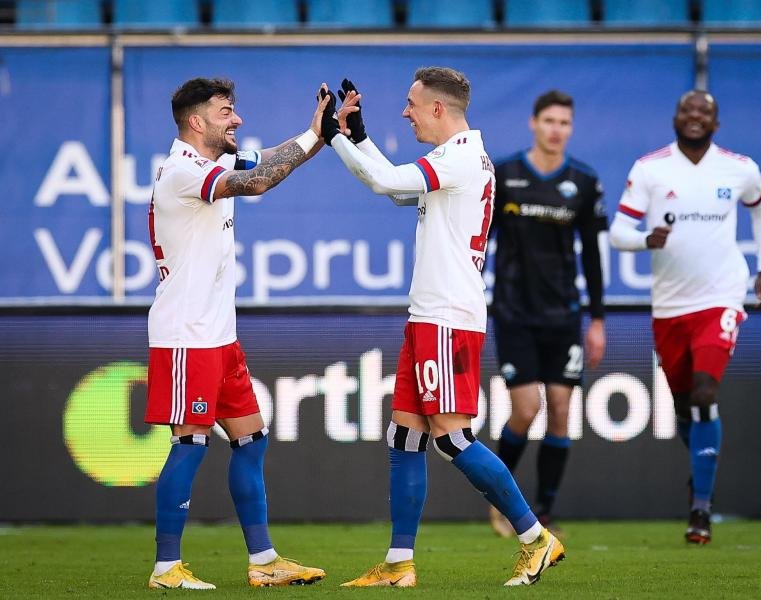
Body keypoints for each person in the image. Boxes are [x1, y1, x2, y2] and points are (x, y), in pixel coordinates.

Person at [318, 68, 564, 587]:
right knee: (405, 435)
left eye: (411, 104)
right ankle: (399, 564)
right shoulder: (459, 158)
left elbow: (386, 182)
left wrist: (331, 137)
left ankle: (535, 538)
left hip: (448, 318)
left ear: (438, 109)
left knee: (450, 438)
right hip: (429, 314)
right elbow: (400, 192)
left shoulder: (457, 158)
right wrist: (357, 137)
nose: (404, 113)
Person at [145, 77, 327, 589]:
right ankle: (166, 569)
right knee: (190, 444)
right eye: (227, 112)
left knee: (251, 441)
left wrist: (319, 133)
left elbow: (264, 159)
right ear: (196, 122)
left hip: (219, 336)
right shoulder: (183, 170)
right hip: (187, 334)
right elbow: (259, 181)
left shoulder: (210, 163)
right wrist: (314, 140)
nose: (238, 120)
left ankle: (264, 561)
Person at [609, 90, 761, 544]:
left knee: (705, 392)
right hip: (669, 306)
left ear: (716, 123)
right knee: (686, 406)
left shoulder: (739, 168)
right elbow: (618, 232)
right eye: (688, 110)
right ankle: (700, 475)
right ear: (676, 117)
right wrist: (647, 239)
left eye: (704, 111)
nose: (695, 117)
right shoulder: (650, 168)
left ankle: (700, 509)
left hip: (721, 297)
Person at [488, 90, 607, 537]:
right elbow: (481, 239)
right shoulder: (507, 174)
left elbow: (592, 257)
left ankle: (544, 511)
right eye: (550, 121)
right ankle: (500, 497)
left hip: (564, 315)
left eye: (565, 122)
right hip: (514, 311)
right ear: (533, 123)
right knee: (526, 408)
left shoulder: (583, 180)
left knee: (560, 410)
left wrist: (597, 320)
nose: (557, 129)